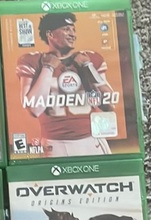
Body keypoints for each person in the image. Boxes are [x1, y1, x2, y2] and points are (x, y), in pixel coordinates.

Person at [16, 12, 116, 157]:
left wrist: (88, 67)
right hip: (54, 145)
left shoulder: (90, 58)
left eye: (73, 30)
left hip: (92, 141)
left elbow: (109, 104)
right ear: (50, 34)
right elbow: (34, 109)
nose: (72, 34)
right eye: (66, 29)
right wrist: (47, 68)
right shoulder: (32, 61)